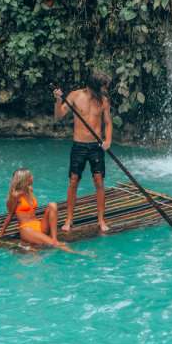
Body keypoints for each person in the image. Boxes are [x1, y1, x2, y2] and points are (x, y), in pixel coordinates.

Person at [53, 70, 113, 233]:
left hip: (96, 146)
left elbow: (108, 123)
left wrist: (108, 140)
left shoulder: (104, 100)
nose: (105, 90)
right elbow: (59, 116)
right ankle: (69, 219)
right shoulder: (75, 96)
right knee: (73, 181)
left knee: (99, 181)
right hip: (79, 145)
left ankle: (101, 219)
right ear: (94, 86)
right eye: (103, 87)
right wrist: (58, 100)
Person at [0, 168, 76, 253]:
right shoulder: (15, 195)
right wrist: (1, 234)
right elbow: (10, 215)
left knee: (52, 205)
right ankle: (77, 253)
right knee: (55, 244)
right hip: (27, 229)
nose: (32, 177)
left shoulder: (29, 190)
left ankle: (54, 238)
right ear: (24, 179)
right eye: (30, 176)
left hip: (39, 225)